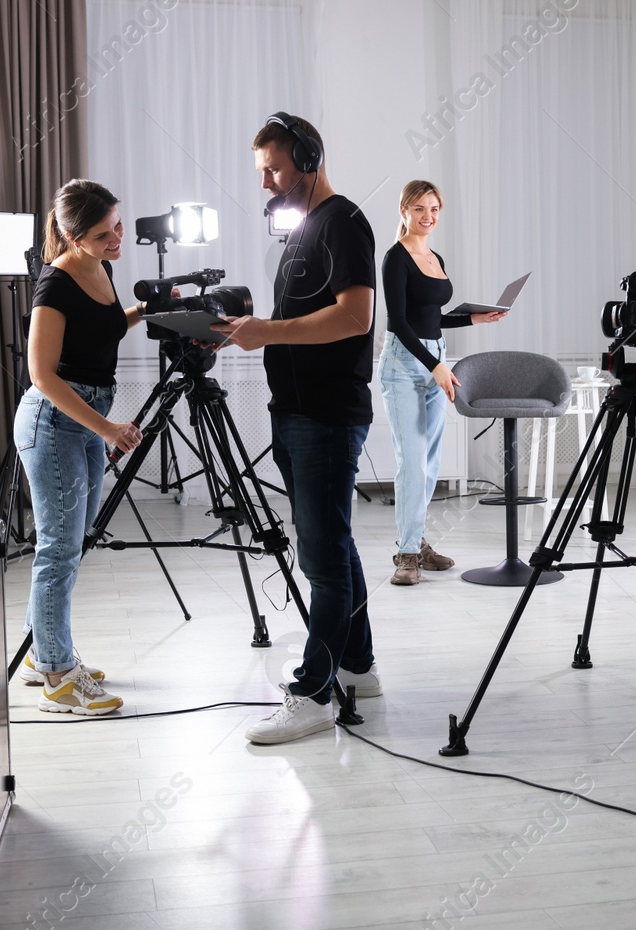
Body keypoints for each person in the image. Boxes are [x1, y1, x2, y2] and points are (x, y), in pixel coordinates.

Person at [212, 113, 379, 744]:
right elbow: (306, 318)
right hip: (298, 411)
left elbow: (355, 318)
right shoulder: (304, 226)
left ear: (308, 158)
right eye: (262, 172)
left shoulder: (345, 222)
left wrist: (271, 332)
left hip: (326, 416)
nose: (266, 183)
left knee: (322, 556)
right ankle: (358, 667)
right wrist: (253, 327)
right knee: (334, 544)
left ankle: (314, 695)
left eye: (275, 169)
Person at [14, 179, 150, 715]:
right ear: (72, 237)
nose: (118, 237)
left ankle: (41, 650)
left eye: (118, 224)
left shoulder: (102, 267)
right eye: (104, 233)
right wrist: (109, 428)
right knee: (59, 547)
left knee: (73, 541)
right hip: (55, 422)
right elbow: (43, 376)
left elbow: (106, 327)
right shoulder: (56, 284)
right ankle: (57, 675)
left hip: (85, 420)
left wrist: (149, 311)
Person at [379, 180, 506, 586]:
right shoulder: (395, 259)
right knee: (412, 462)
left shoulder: (436, 256)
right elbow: (399, 322)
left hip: (435, 360)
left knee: (430, 463)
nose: (428, 216)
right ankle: (407, 554)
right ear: (404, 211)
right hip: (405, 365)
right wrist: (434, 365)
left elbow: (431, 316)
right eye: (419, 209)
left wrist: (474, 318)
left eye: (434, 208)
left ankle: (416, 541)